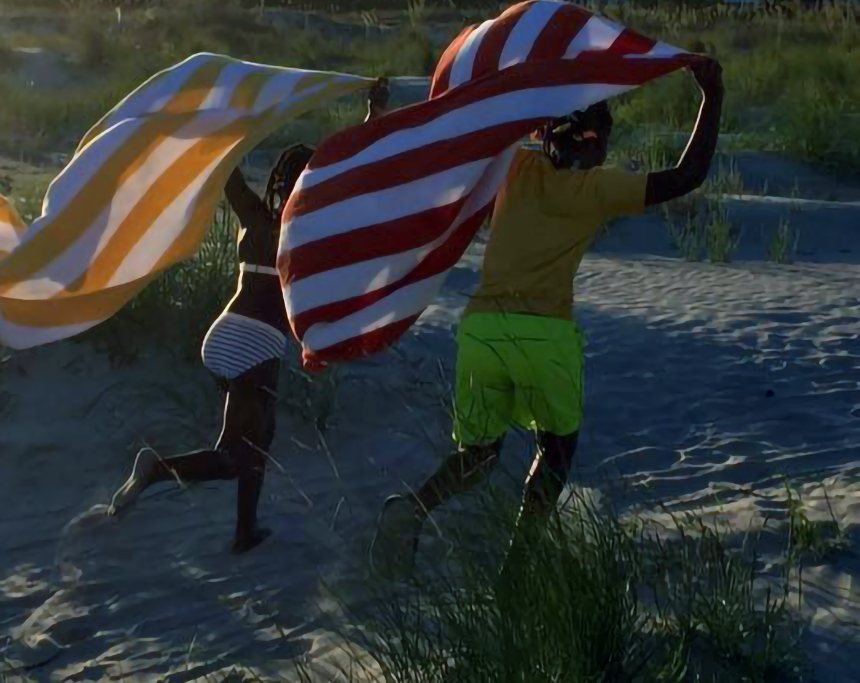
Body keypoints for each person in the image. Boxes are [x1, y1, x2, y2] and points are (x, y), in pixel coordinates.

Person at [369, 58, 724, 577]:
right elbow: (687, 176)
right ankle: (518, 560)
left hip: (481, 331)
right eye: (603, 139)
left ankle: (415, 508)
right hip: (545, 336)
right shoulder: (597, 188)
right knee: (556, 451)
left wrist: (376, 112)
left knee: (480, 452)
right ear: (595, 143)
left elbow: (449, 145)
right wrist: (711, 97)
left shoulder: (512, 167)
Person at [109, 80, 390, 555]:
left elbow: (227, 173)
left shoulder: (254, 217)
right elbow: (353, 162)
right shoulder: (309, 223)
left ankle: (244, 532)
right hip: (256, 342)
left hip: (228, 334)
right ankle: (156, 468)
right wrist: (374, 110)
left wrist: (219, 121)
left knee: (258, 440)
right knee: (235, 455)